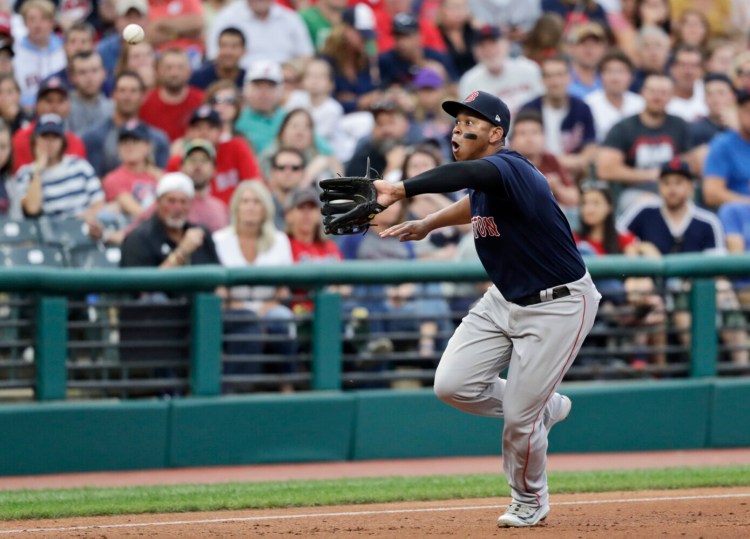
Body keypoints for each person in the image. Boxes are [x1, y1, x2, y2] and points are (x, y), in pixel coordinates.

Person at [372, 90, 600, 527]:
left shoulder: (511, 167)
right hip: (504, 298)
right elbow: (473, 200)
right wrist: (428, 222)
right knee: (452, 385)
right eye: (456, 123)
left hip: (559, 305)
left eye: (471, 123)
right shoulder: (488, 183)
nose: (459, 129)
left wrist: (401, 189)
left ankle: (530, 499)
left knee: (519, 420)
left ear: (497, 133)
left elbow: (471, 174)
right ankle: (542, 407)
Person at [618, 158, 749, 368]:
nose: (672, 189)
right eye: (667, 182)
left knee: (724, 297)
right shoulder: (644, 212)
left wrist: (693, 283)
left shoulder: (707, 221)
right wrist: (642, 248)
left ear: (690, 187)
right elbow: (618, 239)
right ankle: (665, 375)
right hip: (654, 292)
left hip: (694, 293)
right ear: (659, 186)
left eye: (678, 183)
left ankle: (741, 370)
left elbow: (719, 269)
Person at [213, 180, 298, 393]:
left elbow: (283, 287)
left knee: (283, 320)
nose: (250, 207)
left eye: (256, 202)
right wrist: (235, 306)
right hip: (231, 308)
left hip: (269, 306)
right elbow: (217, 288)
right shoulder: (219, 239)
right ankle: (234, 391)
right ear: (236, 207)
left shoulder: (280, 240)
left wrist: (265, 308)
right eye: (245, 201)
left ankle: (286, 386)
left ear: (265, 208)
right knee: (244, 326)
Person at [595, 73, 693, 213]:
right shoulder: (623, 127)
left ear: (672, 96)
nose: (657, 97)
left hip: (674, 190)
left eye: (663, 93)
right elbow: (605, 169)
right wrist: (652, 174)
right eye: (652, 91)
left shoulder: (680, 125)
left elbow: (692, 162)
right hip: (634, 192)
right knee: (650, 206)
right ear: (642, 93)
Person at [520, 55, 597, 180]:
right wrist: (562, 162)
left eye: (560, 75)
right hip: (536, 173)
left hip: (574, 175)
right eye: (549, 76)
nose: (555, 81)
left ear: (569, 77)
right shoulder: (528, 109)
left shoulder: (582, 108)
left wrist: (573, 163)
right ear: (542, 80)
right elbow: (520, 148)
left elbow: (591, 147)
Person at [120, 171, 220, 268]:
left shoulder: (201, 234)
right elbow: (142, 284)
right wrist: (182, 252)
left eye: (184, 202)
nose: (178, 208)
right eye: (171, 201)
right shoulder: (138, 238)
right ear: (158, 202)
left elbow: (218, 278)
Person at [81, 71, 170, 179]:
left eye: (133, 91)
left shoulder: (159, 139)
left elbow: (164, 182)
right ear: (113, 95)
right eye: (122, 90)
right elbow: (95, 181)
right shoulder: (94, 137)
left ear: (143, 96)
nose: (127, 96)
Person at [14, 113, 104, 220]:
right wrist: (37, 171)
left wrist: (83, 220)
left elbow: (99, 202)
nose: (49, 143)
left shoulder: (80, 166)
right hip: (47, 234)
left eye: (55, 137)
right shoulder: (25, 173)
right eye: (45, 137)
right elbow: (32, 209)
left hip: (83, 228)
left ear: (62, 141)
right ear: (35, 140)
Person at [458, 25, 544, 115]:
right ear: (475, 52)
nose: (489, 51)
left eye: (493, 43)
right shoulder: (469, 81)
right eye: (482, 46)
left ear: (507, 45)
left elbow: (545, 102)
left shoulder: (528, 68)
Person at [206, 0, 314, 68]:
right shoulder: (226, 18)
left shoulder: (291, 18)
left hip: (284, 82)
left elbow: (307, 57)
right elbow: (214, 56)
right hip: (240, 81)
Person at [12, 77, 88, 173]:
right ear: (37, 104)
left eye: (60, 101)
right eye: (49, 101)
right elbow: (20, 180)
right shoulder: (20, 139)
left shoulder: (76, 143)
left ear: (69, 106)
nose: (54, 107)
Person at [138, 48, 205, 142]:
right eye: (168, 67)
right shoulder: (144, 101)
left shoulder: (202, 100)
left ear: (189, 71)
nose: (174, 73)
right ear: (158, 71)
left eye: (180, 67)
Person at [13, 0, 66, 110]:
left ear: (52, 22)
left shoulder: (64, 50)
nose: (37, 25)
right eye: (32, 19)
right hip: (27, 110)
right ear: (24, 23)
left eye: (43, 19)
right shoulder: (15, 52)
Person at [701, 90, 750, 208]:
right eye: (748, 111)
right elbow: (712, 193)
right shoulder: (723, 144)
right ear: (738, 111)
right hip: (740, 217)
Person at [234, 60, 287, 154]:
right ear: (246, 89)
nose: (263, 93)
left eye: (270, 87)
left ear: (280, 91)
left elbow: (322, 150)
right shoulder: (235, 119)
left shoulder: (290, 119)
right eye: (257, 86)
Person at [67, 51, 114, 135]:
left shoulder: (113, 109)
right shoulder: (64, 108)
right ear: (72, 77)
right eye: (82, 72)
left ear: (104, 73)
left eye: (94, 70)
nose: (89, 78)